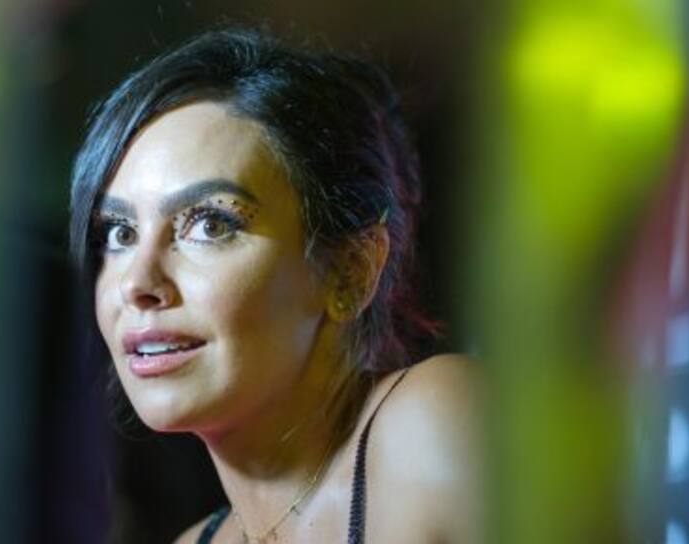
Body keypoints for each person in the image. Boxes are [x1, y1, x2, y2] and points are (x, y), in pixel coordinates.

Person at [68, 28, 482, 543]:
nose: (137, 283)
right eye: (120, 233)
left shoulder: (436, 424)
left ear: (350, 271)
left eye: (211, 224)